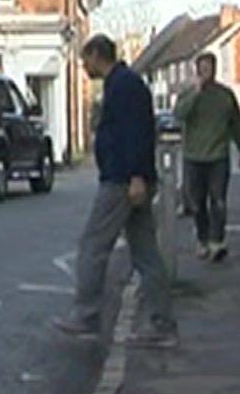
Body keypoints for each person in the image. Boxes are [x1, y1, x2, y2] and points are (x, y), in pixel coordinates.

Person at [52, 34, 176, 347]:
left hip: (122, 181)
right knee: (145, 252)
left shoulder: (124, 86)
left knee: (93, 245)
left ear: (97, 55)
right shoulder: (123, 83)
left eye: (85, 60)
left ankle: (87, 315)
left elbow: (135, 133)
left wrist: (135, 176)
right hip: (130, 178)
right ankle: (162, 323)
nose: (84, 67)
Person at [174, 51, 240, 262]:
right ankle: (202, 240)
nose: (207, 71)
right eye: (203, 67)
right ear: (197, 70)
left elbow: (236, 124)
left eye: (210, 67)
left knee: (218, 201)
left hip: (218, 156)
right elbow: (179, 114)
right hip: (194, 157)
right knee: (197, 203)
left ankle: (217, 241)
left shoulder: (225, 95)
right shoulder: (188, 94)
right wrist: (196, 92)